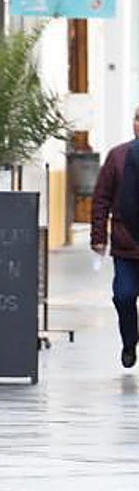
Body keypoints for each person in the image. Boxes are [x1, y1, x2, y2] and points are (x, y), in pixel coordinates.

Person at [90, 105, 139, 368]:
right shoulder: (118, 156)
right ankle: (130, 341)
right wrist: (98, 236)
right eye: (137, 120)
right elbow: (101, 198)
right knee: (123, 296)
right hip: (126, 245)